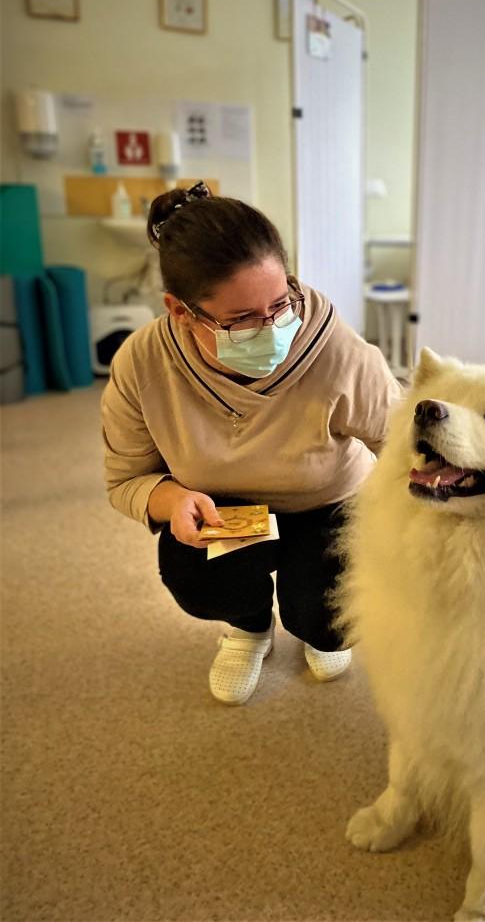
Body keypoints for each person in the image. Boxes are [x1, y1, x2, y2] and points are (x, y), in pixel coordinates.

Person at [101, 181, 401, 705]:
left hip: (326, 501)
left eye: (281, 304)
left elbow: (402, 447)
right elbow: (126, 479)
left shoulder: (337, 351)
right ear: (179, 310)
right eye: (241, 319)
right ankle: (249, 626)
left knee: (330, 617)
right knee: (197, 577)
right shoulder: (143, 364)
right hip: (226, 508)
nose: (271, 328)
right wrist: (172, 500)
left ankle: (315, 630)